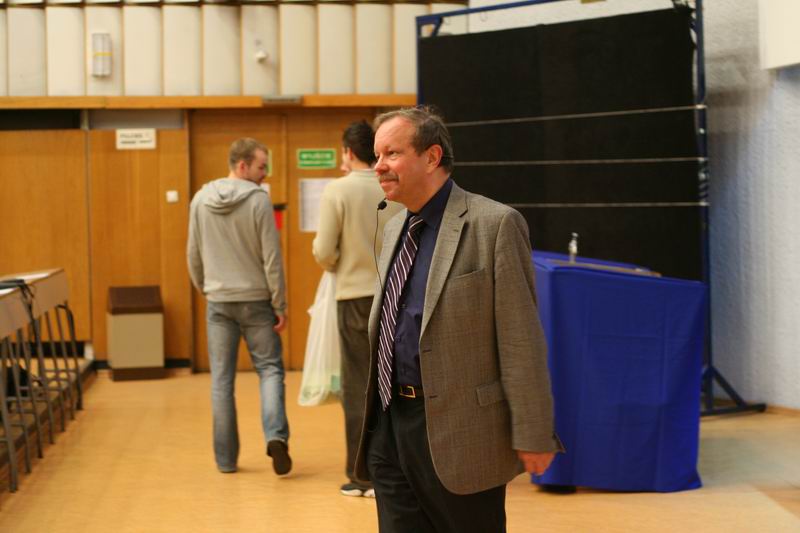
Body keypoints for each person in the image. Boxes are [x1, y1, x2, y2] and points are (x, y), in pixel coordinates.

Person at [353, 107, 564, 533]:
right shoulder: (394, 230)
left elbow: (520, 339)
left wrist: (534, 432)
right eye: (377, 155)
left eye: (391, 153)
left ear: (431, 157)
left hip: (461, 433)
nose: (378, 166)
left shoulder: (495, 224)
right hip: (390, 428)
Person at [187, 137, 292, 476]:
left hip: (218, 302)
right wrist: (279, 304)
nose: (265, 173)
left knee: (221, 382)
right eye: (261, 166)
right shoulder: (259, 200)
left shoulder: (200, 199)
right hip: (257, 301)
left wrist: (207, 289)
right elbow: (272, 258)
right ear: (242, 165)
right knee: (270, 370)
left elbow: (193, 254)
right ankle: (276, 436)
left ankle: (226, 460)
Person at [313, 121, 402, 498]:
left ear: (348, 152)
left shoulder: (338, 190)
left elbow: (323, 251)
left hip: (353, 297)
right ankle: (397, 469)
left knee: (357, 386)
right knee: (395, 382)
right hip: (396, 295)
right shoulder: (394, 186)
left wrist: (337, 263)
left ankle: (361, 474)